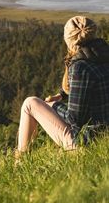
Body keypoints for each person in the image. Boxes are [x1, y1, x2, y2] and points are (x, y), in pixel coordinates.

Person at [16, 16, 109, 160]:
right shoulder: (103, 56)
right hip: (105, 137)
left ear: (69, 41)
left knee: (30, 103)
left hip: (87, 143)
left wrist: (54, 106)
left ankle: (20, 161)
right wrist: (61, 95)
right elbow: (93, 88)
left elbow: (75, 120)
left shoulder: (81, 67)